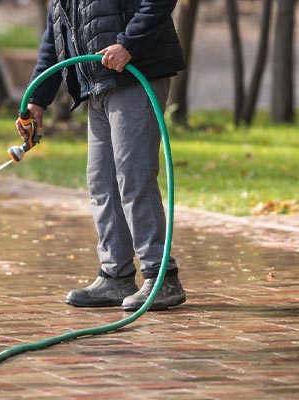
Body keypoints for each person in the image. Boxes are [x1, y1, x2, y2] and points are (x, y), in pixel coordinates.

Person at [16, 0, 187, 311]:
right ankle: (115, 275)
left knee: (133, 176)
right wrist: (37, 98)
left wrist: (127, 45)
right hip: (97, 84)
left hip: (137, 75)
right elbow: (56, 34)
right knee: (101, 183)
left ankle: (161, 277)